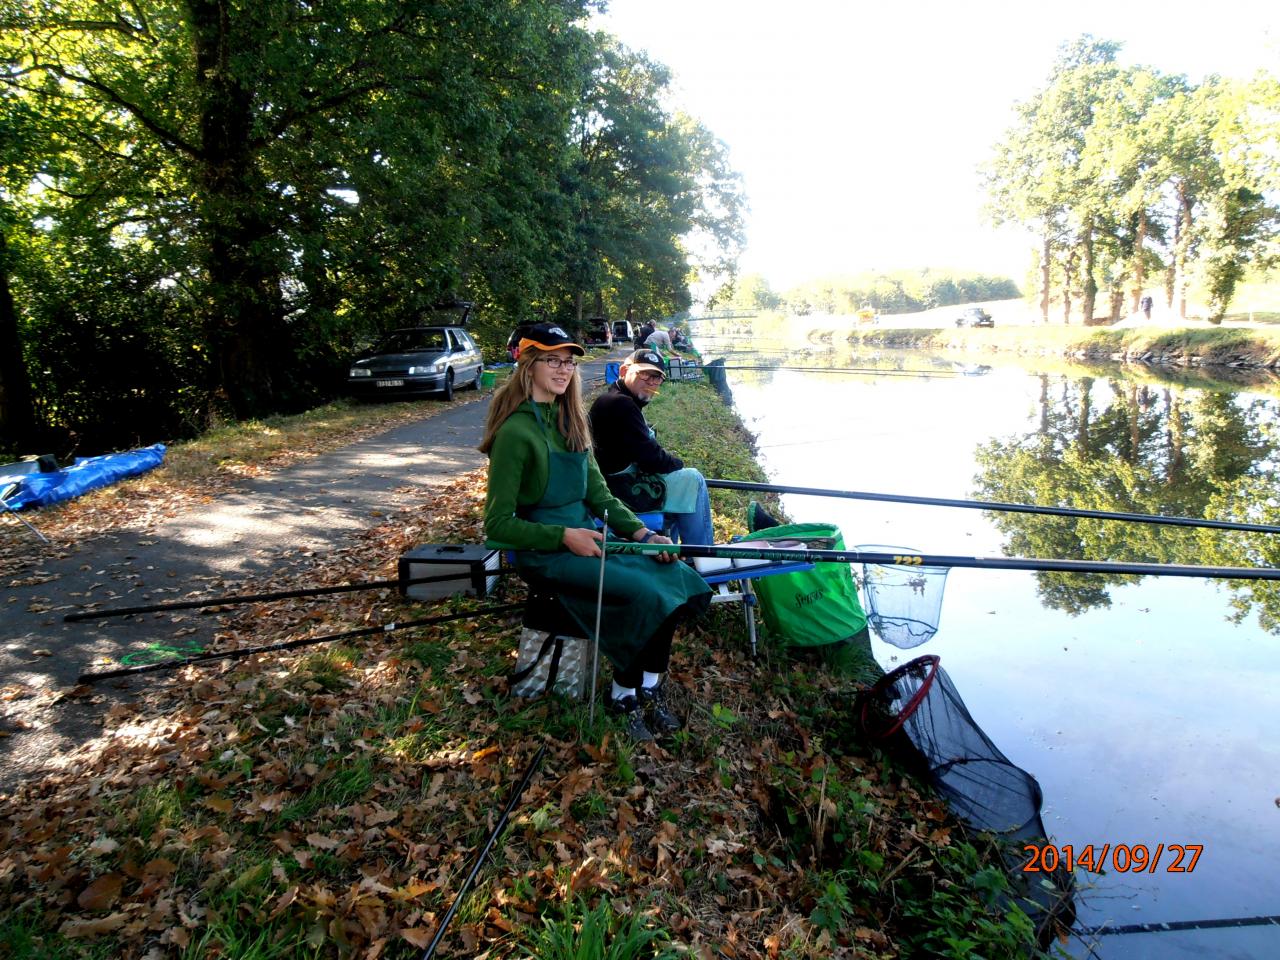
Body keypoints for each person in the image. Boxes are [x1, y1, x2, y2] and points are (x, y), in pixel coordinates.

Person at [481, 324, 711, 741]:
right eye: (552, 359)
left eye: (568, 361)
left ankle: (651, 687)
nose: (563, 369)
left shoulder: (571, 421)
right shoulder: (515, 432)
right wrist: (562, 537)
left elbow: (601, 497)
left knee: (677, 577)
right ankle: (623, 694)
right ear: (528, 364)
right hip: (545, 552)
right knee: (644, 593)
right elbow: (497, 525)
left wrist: (643, 535)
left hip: (590, 536)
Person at [588, 348, 716, 548]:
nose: (651, 382)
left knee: (679, 493)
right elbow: (652, 458)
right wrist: (679, 464)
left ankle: (671, 552)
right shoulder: (622, 404)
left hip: (612, 481)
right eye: (644, 374)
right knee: (693, 480)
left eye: (657, 378)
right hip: (617, 490)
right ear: (624, 371)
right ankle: (703, 555)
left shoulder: (615, 398)